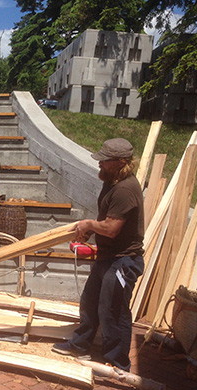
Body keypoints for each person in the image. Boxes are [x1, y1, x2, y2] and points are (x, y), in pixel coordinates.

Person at [52, 138, 145, 371]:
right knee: (90, 300)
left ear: (120, 162)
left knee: (112, 308)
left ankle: (117, 363)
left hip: (124, 260)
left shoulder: (125, 189)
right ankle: (80, 345)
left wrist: (89, 225)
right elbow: (107, 222)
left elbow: (112, 229)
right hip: (108, 255)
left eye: (105, 161)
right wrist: (89, 231)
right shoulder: (112, 181)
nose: (100, 164)